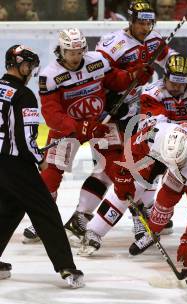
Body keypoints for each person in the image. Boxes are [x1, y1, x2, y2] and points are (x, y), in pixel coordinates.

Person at [59, 0, 177, 249]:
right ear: (131, 21)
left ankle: (146, 211)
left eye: (149, 23)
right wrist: (117, 92)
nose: (145, 28)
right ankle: (82, 217)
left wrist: (182, 72)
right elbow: (96, 74)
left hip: (137, 114)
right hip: (108, 114)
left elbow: (171, 62)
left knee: (146, 163)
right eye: (141, 22)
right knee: (107, 168)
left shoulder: (155, 39)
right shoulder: (113, 44)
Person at [21, 28, 150, 244]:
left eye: (79, 51)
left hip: (102, 123)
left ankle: (98, 216)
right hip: (68, 129)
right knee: (51, 173)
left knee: (117, 169)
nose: (76, 56)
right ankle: (42, 219)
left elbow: (115, 81)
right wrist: (80, 127)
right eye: (71, 52)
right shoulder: (50, 75)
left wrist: (133, 76)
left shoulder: (96, 61)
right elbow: (51, 114)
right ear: (61, 51)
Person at [79, 117, 187, 270]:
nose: (174, 167)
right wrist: (124, 175)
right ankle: (153, 231)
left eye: (178, 163)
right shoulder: (157, 133)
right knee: (165, 198)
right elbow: (133, 147)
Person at [0, 45, 83, 288]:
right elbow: (26, 138)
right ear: (15, 64)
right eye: (28, 66)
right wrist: (40, 158)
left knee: (9, 209)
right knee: (45, 211)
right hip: (17, 164)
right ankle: (67, 268)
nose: (30, 71)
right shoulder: (24, 95)